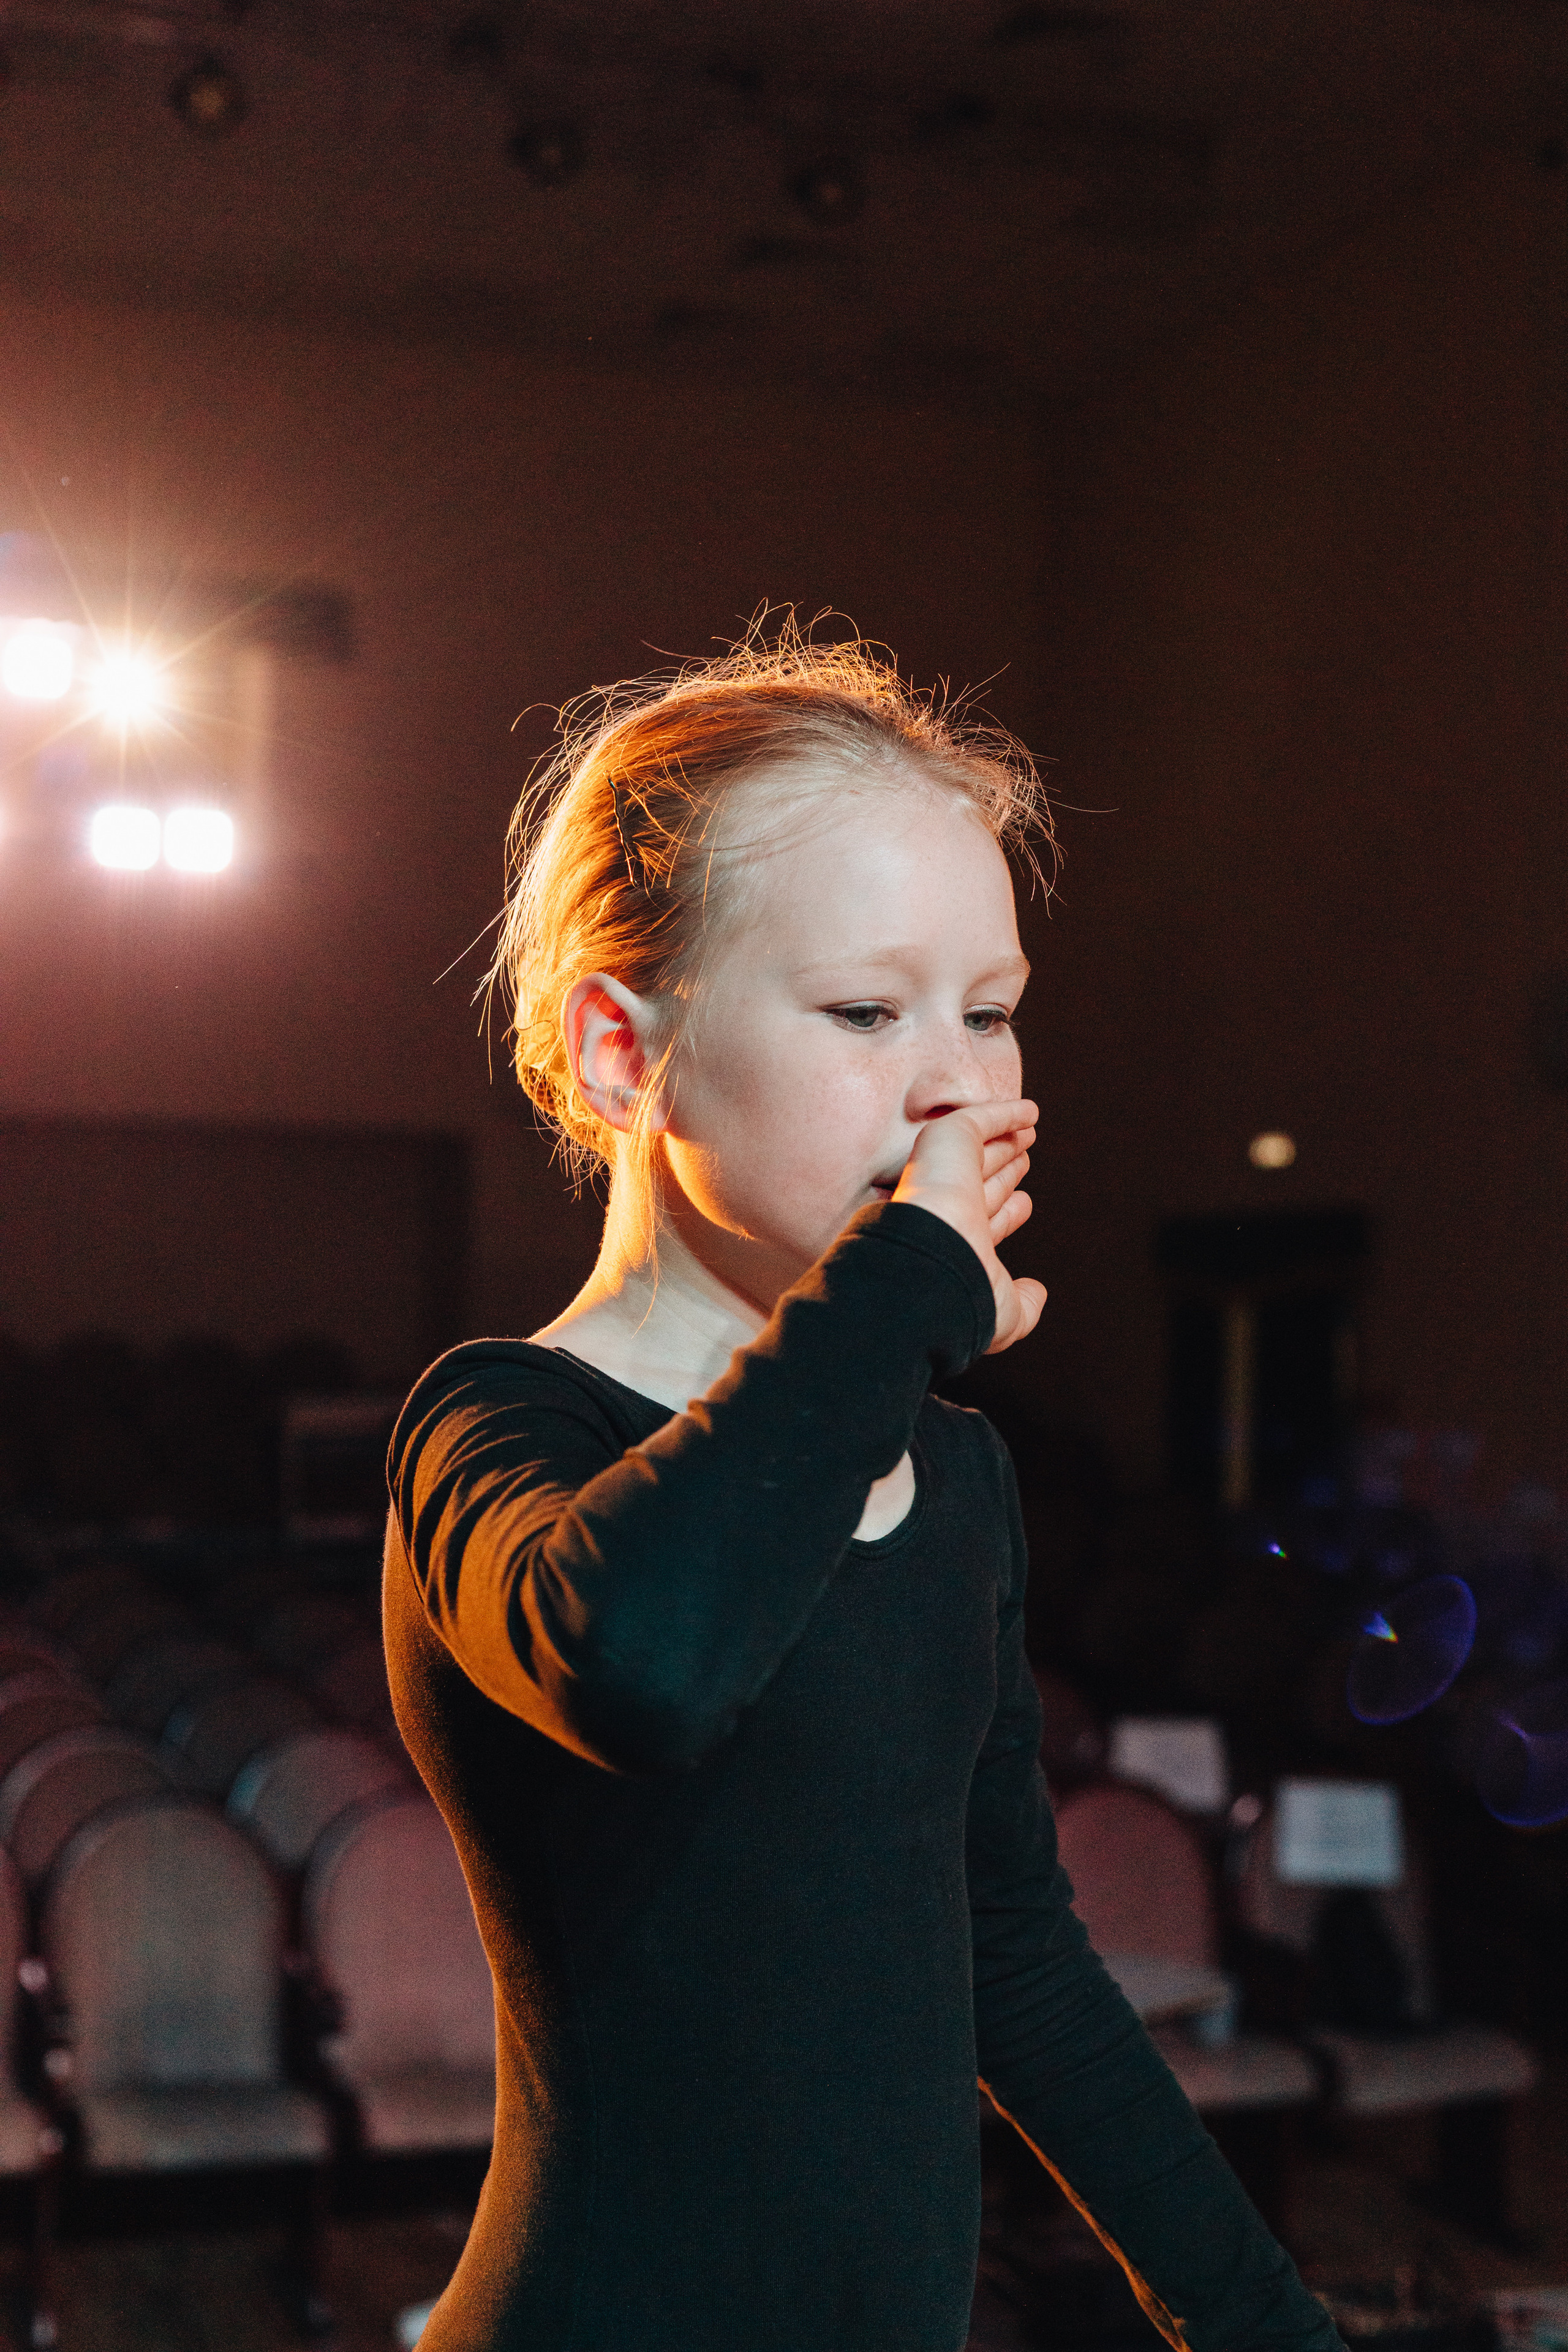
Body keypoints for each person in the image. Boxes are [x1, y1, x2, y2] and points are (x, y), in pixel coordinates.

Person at [384, 627, 1339, 2352]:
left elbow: (1023, 1972)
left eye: (990, 1015)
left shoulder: (956, 1471)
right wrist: (901, 1289)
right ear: (621, 1050)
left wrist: (1269, 2329)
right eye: (865, 1011)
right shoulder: (495, 1427)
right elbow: (650, 1664)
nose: (959, 1087)